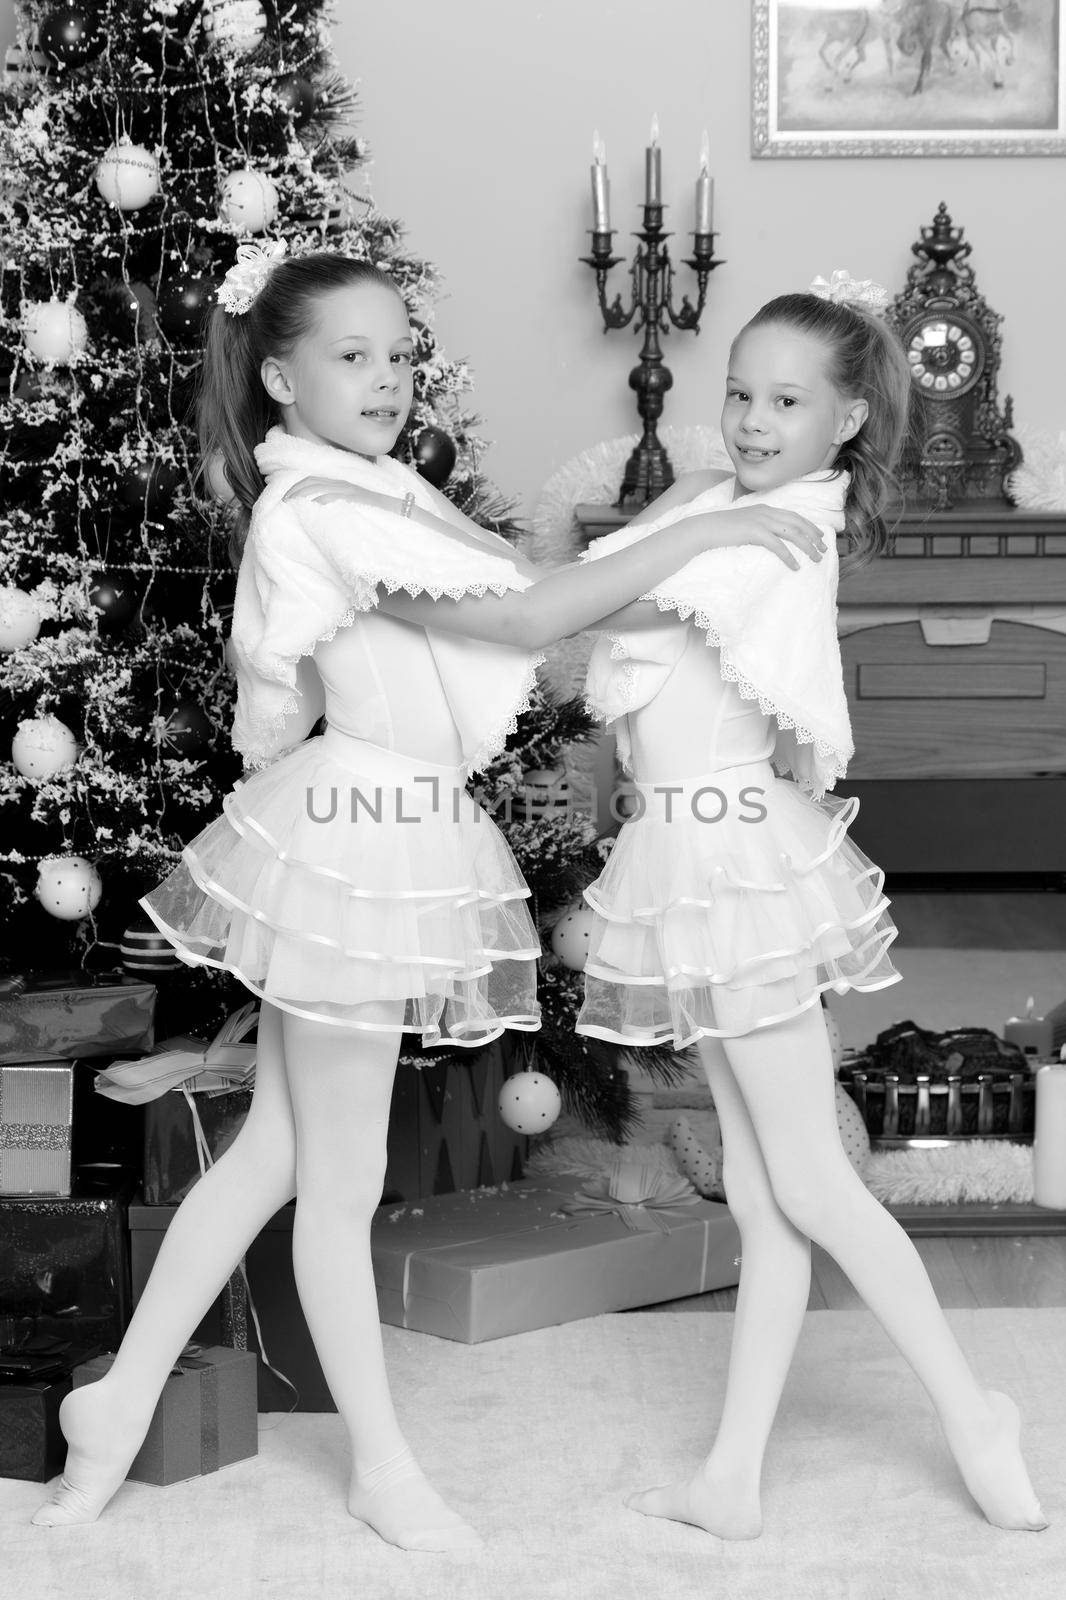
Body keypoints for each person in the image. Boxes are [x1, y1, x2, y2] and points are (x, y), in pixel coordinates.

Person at [32, 244, 828, 1551]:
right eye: (353, 358)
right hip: (364, 840)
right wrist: (717, 524)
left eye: (400, 355)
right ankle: (382, 1469)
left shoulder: (378, 486)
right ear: (281, 376)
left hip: (375, 825)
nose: (388, 379)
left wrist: (692, 503)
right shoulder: (327, 512)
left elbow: (514, 588)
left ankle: (114, 1407)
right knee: (334, 1183)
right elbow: (524, 621)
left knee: (275, 1160)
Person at [574, 274, 1048, 1538]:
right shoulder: (728, 504)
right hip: (689, 850)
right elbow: (640, 579)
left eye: (784, 401)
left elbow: (597, 601)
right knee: (760, 1184)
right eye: (736, 393)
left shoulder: (780, 529)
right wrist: (686, 503)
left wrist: (669, 528)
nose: (746, 419)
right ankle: (733, 1470)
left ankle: (967, 1406)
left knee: (811, 1181)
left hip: (733, 863)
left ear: (843, 422)